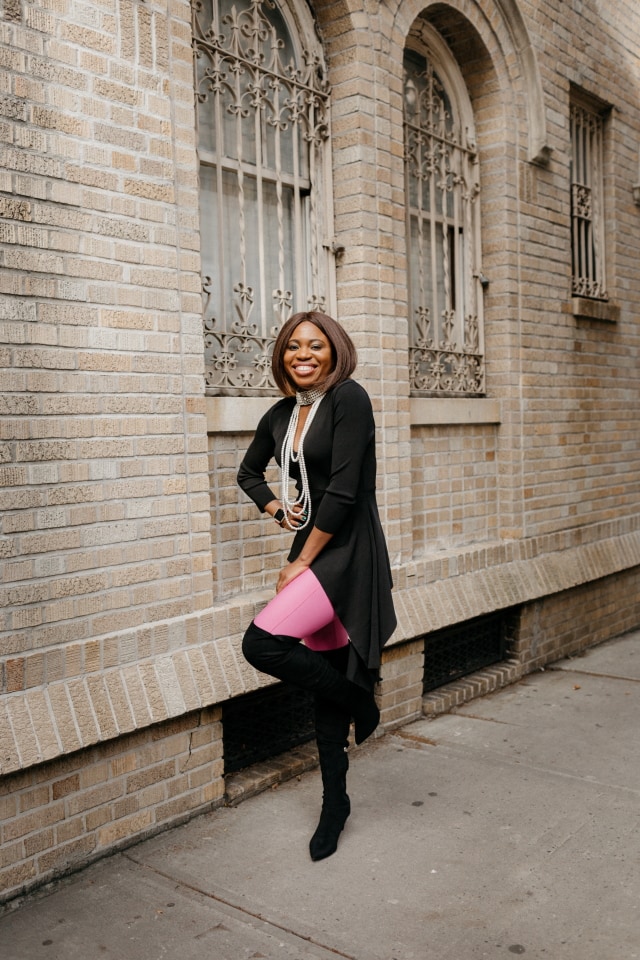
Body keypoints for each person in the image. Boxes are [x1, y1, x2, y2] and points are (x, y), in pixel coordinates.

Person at [237, 310, 396, 861]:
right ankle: (336, 804)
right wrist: (278, 509)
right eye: (292, 347)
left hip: (346, 552)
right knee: (324, 673)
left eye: (315, 346)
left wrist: (299, 560)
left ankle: (358, 699)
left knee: (260, 643)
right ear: (282, 356)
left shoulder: (349, 399)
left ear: (335, 352)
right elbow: (248, 473)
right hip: (313, 548)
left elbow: (347, 493)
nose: (303, 355)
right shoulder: (282, 413)